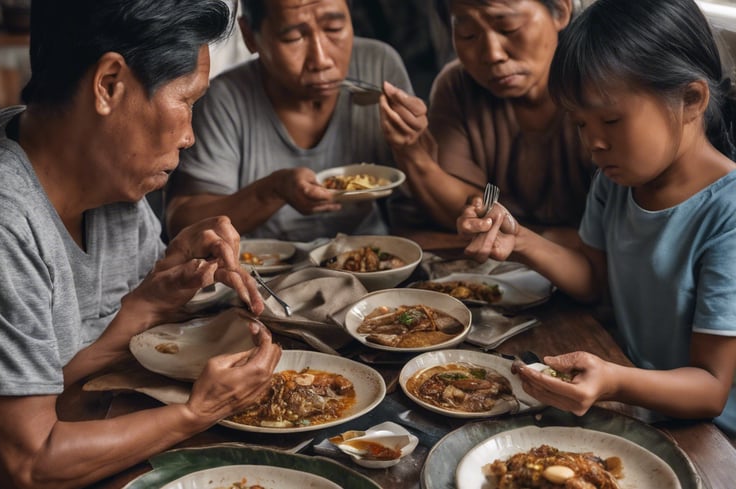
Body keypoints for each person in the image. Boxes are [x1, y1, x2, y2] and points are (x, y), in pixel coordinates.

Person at [0, 1, 283, 488]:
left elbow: (53, 373)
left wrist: (149, 302)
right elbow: (28, 462)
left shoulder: (103, 165)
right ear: (109, 84)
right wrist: (199, 411)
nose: (189, 136)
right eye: (186, 100)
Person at [457, 0, 736, 438]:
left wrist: (613, 380)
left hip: (709, 435)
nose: (594, 143)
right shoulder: (618, 179)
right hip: (637, 403)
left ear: (691, 99)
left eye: (610, 119)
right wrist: (521, 240)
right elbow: (593, 279)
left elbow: (711, 388)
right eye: (581, 124)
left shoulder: (728, 214)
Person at [164, 0, 415, 242]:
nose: (321, 60)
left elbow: (424, 205)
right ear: (250, 36)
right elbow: (182, 225)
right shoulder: (225, 99)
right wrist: (274, 190)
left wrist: (415, 148)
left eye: (334, 29)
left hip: (373, 261)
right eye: (293, 38)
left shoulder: (379, 65)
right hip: (265, 275)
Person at [381, 0, 594, 246]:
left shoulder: (600, 84)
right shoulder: (457, 86)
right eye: (468, 35)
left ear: (560, 11)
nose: (492, 54)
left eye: (509, 28)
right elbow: (462, 212)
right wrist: (411, 151)